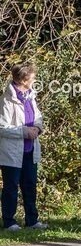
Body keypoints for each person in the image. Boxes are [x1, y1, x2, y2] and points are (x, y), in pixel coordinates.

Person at [1, 63, 45, 231]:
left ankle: (32, 220)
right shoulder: (6, 100)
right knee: (11, 188)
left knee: (30, 185)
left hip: (30, 149)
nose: (34, 79)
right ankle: (9, 221)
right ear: (24, 79)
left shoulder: (30, 96)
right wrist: (24, 131)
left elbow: (38, 117)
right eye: (32, 77)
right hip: (11, 152)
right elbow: (2, 128)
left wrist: (37, 127)